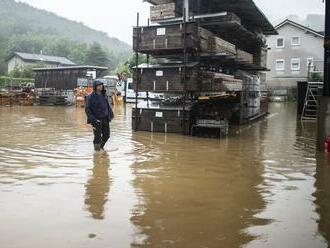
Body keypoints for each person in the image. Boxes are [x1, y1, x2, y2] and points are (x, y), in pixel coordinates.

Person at [85, 80, 114, 151]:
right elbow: (87, 110)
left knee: (107, 135)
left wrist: (110, 115)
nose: (101, 86)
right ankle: (97, 153)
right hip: (96, 120)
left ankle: (101, 147)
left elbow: (107, 106)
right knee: (97, 137)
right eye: (99, 85)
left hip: (105, 118)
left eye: (101, 85)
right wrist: (94, 120)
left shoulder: (104, 95)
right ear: (95, 87)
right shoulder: (90, 97)